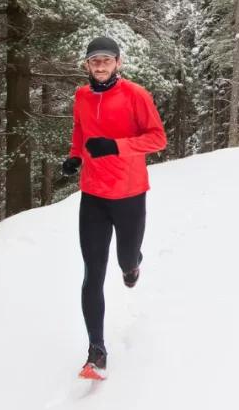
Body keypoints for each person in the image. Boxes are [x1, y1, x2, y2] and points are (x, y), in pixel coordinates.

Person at [62, 36, 166, 380]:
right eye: (94, 61)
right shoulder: (81, 96)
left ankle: (132, 266)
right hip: (92, 194)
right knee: (92, 273)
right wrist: (76, 157)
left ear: (118, 63)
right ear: (87, 66)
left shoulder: (136, 95)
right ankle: (97, 352)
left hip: (129, 193)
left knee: (125, 258)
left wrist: (116, 146)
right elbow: (80, 129)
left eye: (107, 60)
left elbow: (157, 138)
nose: (101, 65)